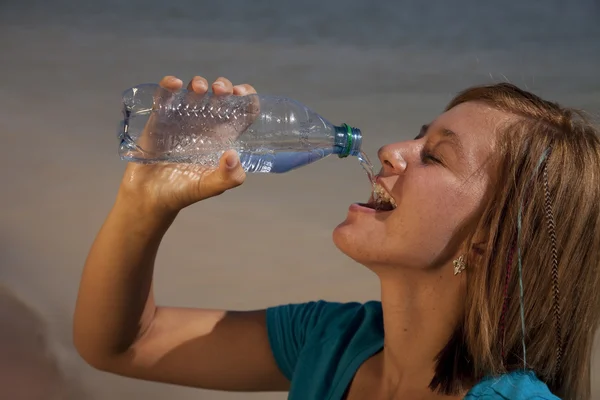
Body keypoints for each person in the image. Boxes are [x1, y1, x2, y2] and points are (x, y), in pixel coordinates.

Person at [73, 75, 600, 399]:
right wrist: (143, 202)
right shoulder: (331, 343)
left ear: (490, 241)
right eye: (419, 134)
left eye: (435, 154)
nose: (395, 149)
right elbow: (123, 345)